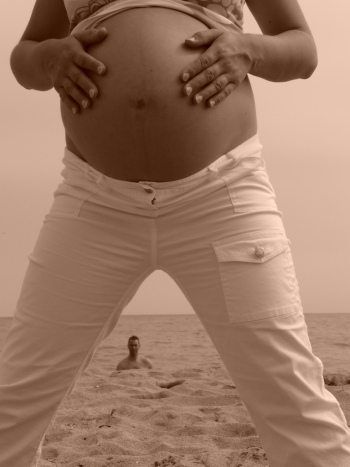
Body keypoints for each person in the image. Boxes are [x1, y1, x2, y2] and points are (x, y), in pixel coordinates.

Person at [1, 0, 350, 466]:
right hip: (94, 203)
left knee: (295, 405)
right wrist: (48, 59)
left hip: (223, 196)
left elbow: (302, 48)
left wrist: (248, 49)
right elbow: (26, 56)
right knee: (13, 403)